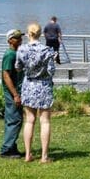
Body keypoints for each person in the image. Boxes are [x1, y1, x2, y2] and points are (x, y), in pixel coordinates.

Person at [17, 22, 56, 163]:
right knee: (45, 121)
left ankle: (28, 154)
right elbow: (52, 71)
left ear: (28, 34)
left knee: (29, 121)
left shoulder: (21, 49)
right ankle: (44, 156)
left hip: (29, 86)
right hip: (44, 86)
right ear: (41, 34)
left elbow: (18, 67)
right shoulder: (46, 50)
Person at [0, 29, 25, 159]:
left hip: (16, 91)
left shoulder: (15, 53)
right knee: (15, 119)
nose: (20, 40)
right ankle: (6, 150)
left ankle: (12, 147)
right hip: (12, 92)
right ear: (10, 40)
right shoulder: (10, 55)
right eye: (17, 38)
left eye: (20, 37)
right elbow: (6, 76)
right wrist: (15, 94)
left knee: (15, 118)